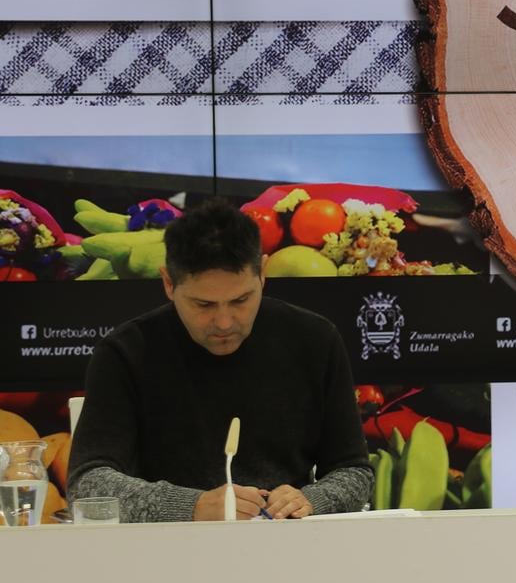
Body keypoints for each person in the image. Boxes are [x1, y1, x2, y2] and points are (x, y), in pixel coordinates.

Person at [67, 198, 372, 521]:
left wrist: (310, 500)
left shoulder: (315, 339)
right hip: (162, 552)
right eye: (203, 305)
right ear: (168, 283)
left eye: (241, 300)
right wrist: (192, 507)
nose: (225, 322)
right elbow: (87, 484)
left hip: (286, 545)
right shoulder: (126, 352)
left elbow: (354, 471)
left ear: (263, 274)